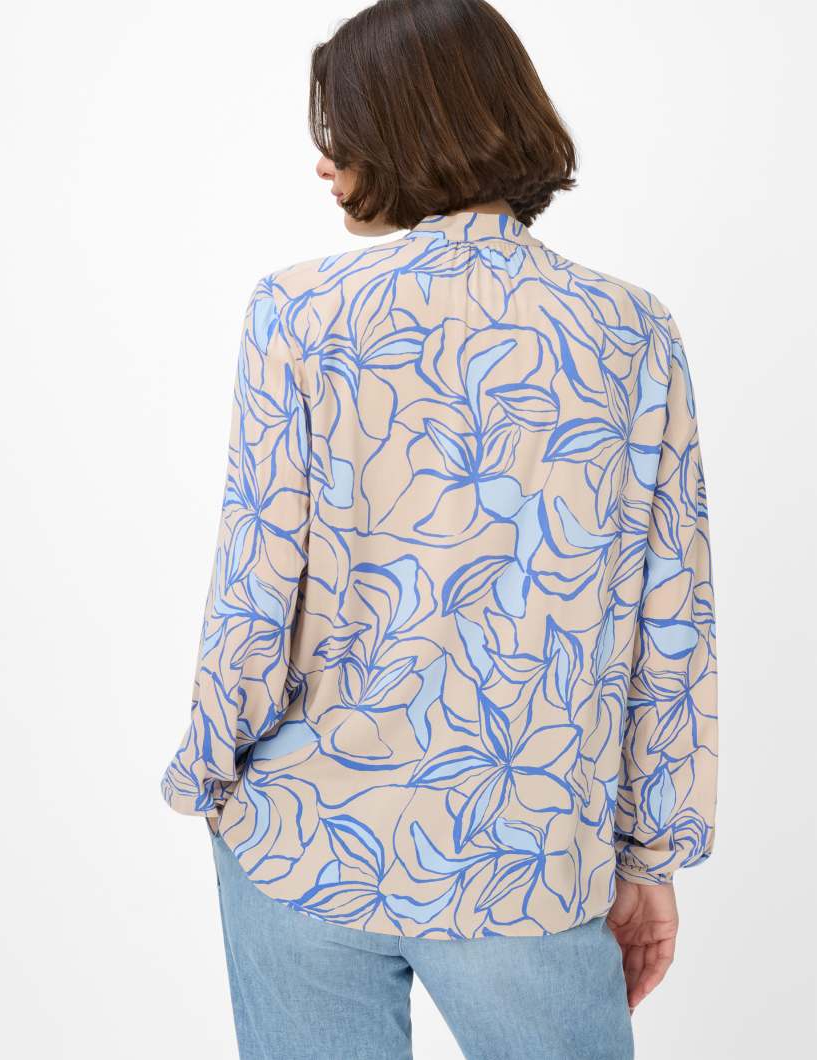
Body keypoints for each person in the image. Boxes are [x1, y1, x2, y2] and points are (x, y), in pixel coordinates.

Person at [160, 1, 719, 1056]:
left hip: (302, 838)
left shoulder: (297, 312)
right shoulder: (633, 331)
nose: (325, 163)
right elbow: (670, 615)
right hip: (528, 852)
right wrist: (649, 854)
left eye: (343, 131)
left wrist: (207, 772)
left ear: (409, 129)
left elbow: (255, 582)